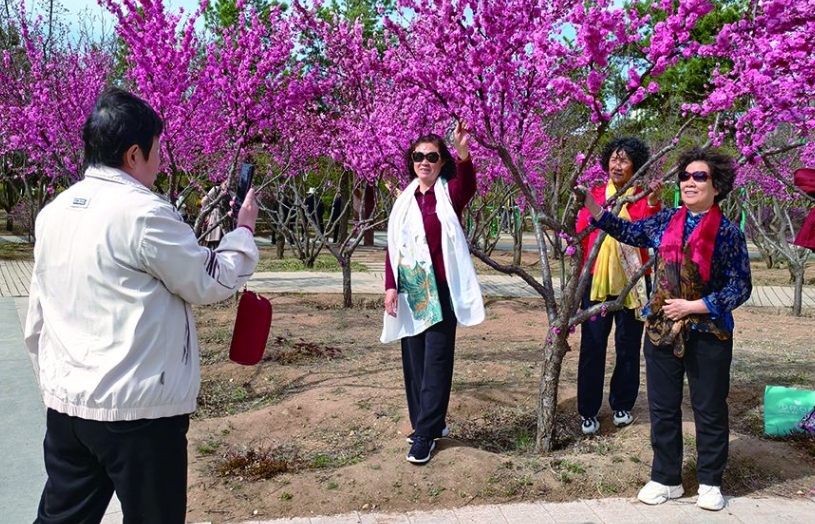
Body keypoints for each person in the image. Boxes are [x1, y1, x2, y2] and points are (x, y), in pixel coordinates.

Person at [24, 87, 260, 523]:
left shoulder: (54, 211)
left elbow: (37, 311)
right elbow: (210, 280)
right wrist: (243, 233)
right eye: (157, 150)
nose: (160, 162)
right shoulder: (144, 213)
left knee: (61, 517)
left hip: (69, 405)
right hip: (137, 412)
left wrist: (50, 380)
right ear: (134, 154)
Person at [579, 146, 752, 511]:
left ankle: (709, 481)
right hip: (661, 330)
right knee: (663, 407)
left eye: (699, 177)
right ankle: (666, 478)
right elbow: (626, 230)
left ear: (717, 185)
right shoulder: (665, 221)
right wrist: (593, 207)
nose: (689, 182)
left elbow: (740, 286)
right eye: (685, 176)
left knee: (709, 408)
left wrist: (695, 306)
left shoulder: (728, 233)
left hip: (709, 332)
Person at [381, 121, 485, 465]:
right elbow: (394, 248)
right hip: (412, 289)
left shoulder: (448, 194)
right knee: (415, 364)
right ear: (411, 160)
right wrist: (391, 286)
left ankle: (425, 434)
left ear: (442, 162)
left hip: (442, 290)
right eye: (418, 156)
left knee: (436, 362)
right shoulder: (404, 201)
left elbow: (468, 186)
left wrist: (463, 152)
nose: (424, 162)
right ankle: (425, 423)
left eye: (432, 156)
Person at [575, 137, 661, 435]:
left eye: (624, 160)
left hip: (633, 282)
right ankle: (588, 410)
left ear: (635, 166)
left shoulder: (642, 197)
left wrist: (652, 203)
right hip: (597, 280)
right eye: (614, 159)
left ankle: (622, 403)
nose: (617, 165)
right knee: (592, 345)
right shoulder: (595, 195)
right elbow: (582, 231)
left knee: (628, 345)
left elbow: (649, 233)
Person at [201, 181, 229, 249]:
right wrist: (212, 207)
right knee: (215, 240)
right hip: (216, 216)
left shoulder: (229, 190)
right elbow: (204, 201)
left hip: (225, 216)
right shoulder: (216, 189)